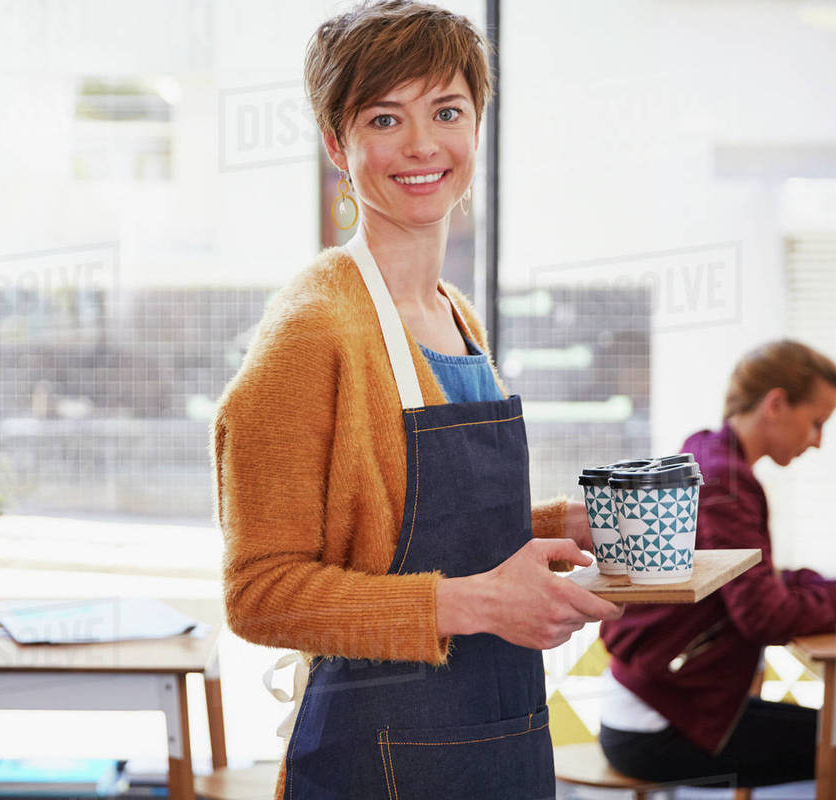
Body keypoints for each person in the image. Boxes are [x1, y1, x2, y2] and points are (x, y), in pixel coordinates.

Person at [212, 3, 622, 798]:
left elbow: (396, 523)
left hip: (500, 736)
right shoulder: (312, 330)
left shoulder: (454, 313)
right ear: (338, 143)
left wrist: (552, 528)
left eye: (447, 111)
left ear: (478, 124)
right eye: (384, 118)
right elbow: (258, 591)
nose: (423, 144)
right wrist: (478, 604)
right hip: (377, 757)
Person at [599, 339, 836, 798]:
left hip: (656, 703)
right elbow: (763, 615)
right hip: (658, 724)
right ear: (776, 404)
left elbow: (758, 578)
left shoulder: (709, 457)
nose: (818, 441)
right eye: (817, 422)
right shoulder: (727, 482)